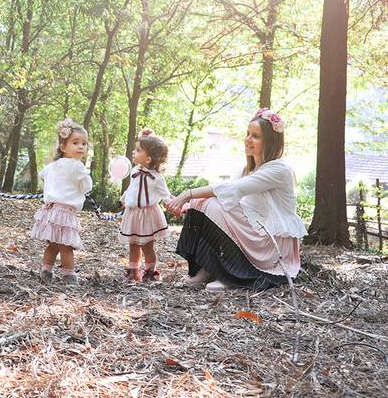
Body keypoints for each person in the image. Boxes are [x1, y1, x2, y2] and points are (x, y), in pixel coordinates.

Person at [165, 108, 307, 292]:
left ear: (270, 142)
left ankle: (231, 275)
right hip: (253, 230)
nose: (248, 139)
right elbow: (225, 194)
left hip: (270, 243)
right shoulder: (246, 169)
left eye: (256, 136)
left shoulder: (279, 170)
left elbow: (232, 190)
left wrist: (187, 195)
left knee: (210, 204)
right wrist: (189, 204)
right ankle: (209, 269)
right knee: (204, 204)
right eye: (248, 134)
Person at [30, 118, 93, 286]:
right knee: (66, 246)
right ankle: (69, 276)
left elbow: (43, 176)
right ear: (63, 147)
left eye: (84, 143)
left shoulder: (53, 165)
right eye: (75, 143)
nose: (81, 146)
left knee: (53, 245)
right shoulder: (77, 167)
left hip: (50, 210)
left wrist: (53, 189)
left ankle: (46, 271)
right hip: (64, 212)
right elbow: (87, 187)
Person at [118, 129, 172, 283]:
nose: (133, 152)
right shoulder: (135, 170)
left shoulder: (156, 178)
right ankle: (133, 271)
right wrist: (124, 199)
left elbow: (165, 195)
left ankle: (149, 272)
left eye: (138, 150)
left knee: (147, 246)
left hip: (148, 215)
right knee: (133, 244)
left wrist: (175, 206)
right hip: (133, 213)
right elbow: (132, 188)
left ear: (148, 159)